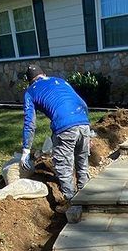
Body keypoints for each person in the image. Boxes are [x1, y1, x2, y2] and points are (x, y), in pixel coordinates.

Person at [21, 64, 91, 211]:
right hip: (84, 123)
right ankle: (87, 199)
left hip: (64, 127)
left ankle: (72, 205)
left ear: (30, 81)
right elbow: (83, 103)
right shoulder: (60, 81)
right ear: (44, 74)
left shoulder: (30, 92)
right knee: (82, 163)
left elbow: (30, 123)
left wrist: (26, 151)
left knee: (64, 167)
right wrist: (83, 122)